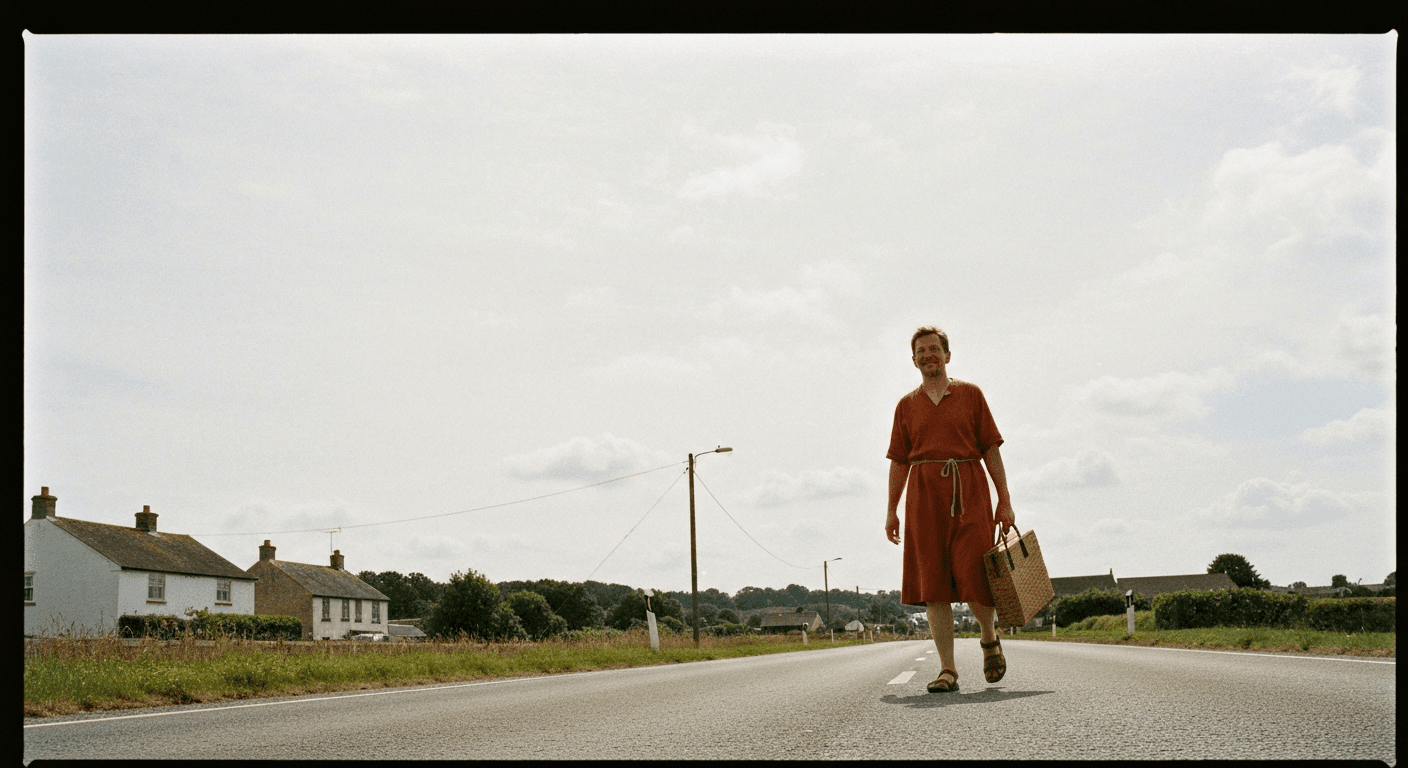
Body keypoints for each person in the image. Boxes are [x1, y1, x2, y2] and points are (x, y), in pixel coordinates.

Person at [885, 326, 1015, 693]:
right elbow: (898, 461)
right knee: (934, 583)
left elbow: (991, 448)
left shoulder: (971, 395)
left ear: (947, 355)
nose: (928, 355)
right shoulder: (906, 405)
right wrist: (891, 510)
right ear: (913, 360)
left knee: (975, 571)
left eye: (934, 349)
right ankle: (947, 670)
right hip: (923, 495)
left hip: (969, 489)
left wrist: (1004, 500)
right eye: (921, 351)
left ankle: (989, 638)